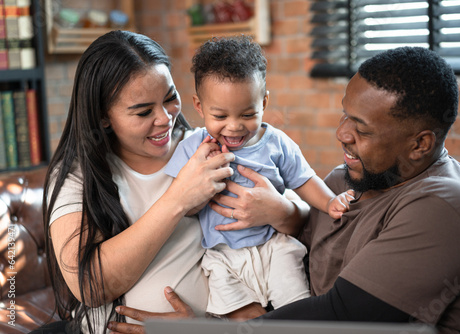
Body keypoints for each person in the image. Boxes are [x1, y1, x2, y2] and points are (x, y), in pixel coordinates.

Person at [108, 46, 460, 334]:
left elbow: (342, 318)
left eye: (361, 129)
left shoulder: (442, 209)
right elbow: (310, 234)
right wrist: (282, 212)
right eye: (345, 114)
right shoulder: (352, 179)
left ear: (420, 144)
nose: (341, 134)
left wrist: (201, 328)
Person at [37, 30, 310, 334]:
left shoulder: (204, 144)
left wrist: (284, 212)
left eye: (169, 98)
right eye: (143, 111)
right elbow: (90, 286)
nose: (165, 118)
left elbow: (295, 208)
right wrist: (178, 199)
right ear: (103, 117)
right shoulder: (79, 176)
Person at [164, 35, 353, 320]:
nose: (235, 126)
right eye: (220, 116)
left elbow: (304, 179)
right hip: (223, 254)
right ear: (200, 107)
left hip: (273, 246)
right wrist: (199, 193)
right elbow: (180, 202)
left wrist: (329, 202)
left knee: (296, 313)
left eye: (248, 113)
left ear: (264, 101)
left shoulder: (277, 143)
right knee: (240, 319)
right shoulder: (193, 148)